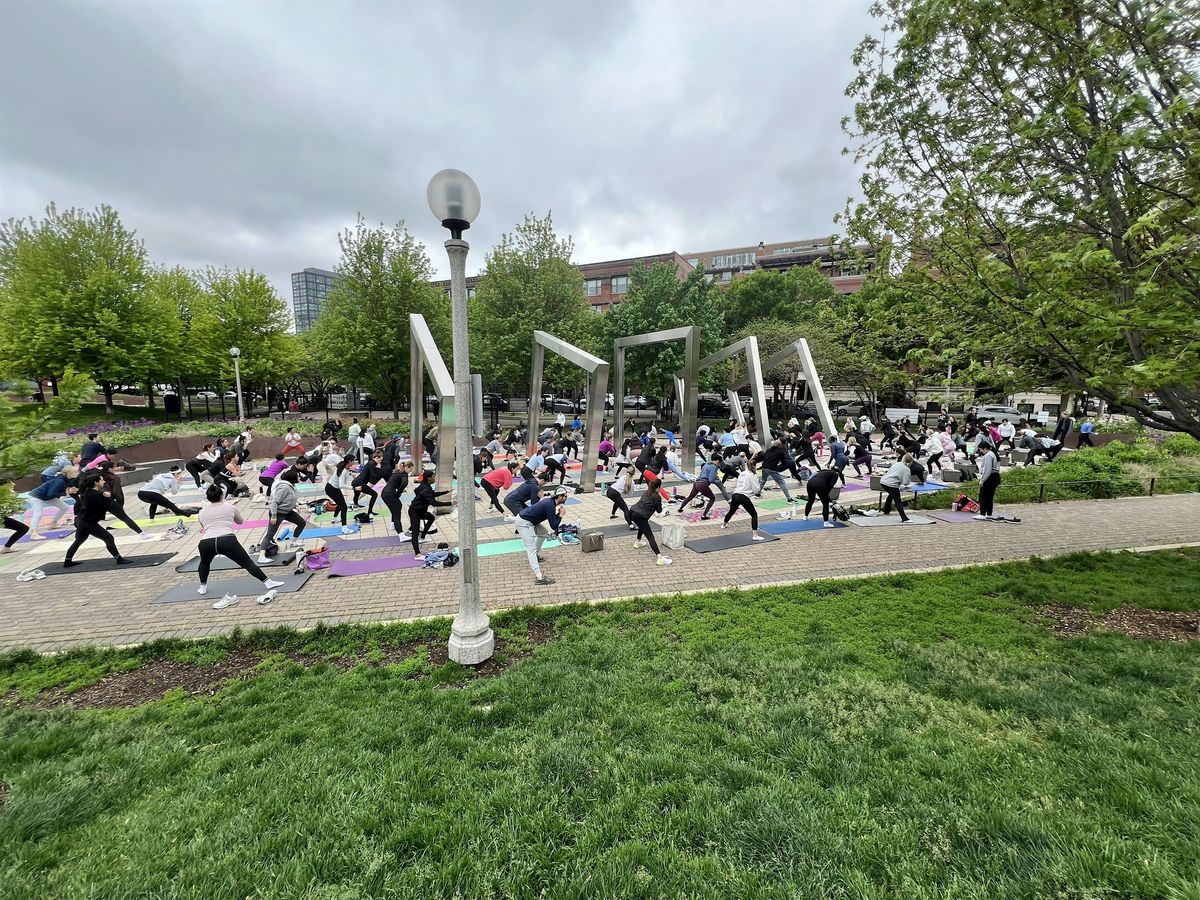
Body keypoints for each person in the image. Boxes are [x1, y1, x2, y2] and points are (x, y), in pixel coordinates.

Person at [195, 484, 286, 604]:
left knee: (204, 562)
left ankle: (202, 588)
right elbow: (240, 522)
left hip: (206, 542)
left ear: (208, 498)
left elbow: (203, 526)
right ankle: (268, 582)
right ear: (222, 496)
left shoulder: (202, 512)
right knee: (247, 562)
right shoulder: (229, 508)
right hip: (227, 540)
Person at [62, 473, 147, 568]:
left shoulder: (88, 492)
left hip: (81, 522)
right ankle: (119, 559)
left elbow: (94, 497)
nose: (104, 481)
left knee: (79, 540)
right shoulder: (94, 495)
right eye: (101, 480)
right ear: (96, 482)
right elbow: (106, 505)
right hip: (88, 523)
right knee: (109, 538)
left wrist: (102, 494)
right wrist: (107, 497)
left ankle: (67, 561)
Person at [514, 486, 569, 585]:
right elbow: (554, 525)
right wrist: (561, 515)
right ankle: (539, 577)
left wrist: (557, 515)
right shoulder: (550, 505)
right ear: (560, 497)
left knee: (543, 533)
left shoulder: (550, 503)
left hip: (528, 520)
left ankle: (535, 556)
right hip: (524, 523)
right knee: (531, 549)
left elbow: (553, 521)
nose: (566, 498)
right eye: (565, 496)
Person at [258, 468, 307, 562]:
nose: (299, 478)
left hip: (287, 512)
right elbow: (275, 502)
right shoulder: (284, 487)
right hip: (278, 513)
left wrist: (295, 505)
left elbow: (290, 498)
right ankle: (261, 556)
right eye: (297, 476)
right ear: (292, 478)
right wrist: (273, 516)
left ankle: (293, 542)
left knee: (302, 523)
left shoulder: (291, 486)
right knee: (270, 534)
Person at [626, 477, 672, 565]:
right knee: (650, 537)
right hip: (640, 515)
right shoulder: (657, 497)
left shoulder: (647, 492)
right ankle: (660, 557)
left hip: (632, 511)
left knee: (642, 526)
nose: (662, 487)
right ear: (657, 487)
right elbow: (659, 511)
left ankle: (638, 541)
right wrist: (663, 503)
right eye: (661, 486)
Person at [25, 466, 79, 538]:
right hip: (36, 496)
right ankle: (34, 533)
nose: (77, 473)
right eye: (75, 472)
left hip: (45, 496)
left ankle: (53, 524)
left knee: (64, 507)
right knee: (38, 513)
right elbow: (51, 494)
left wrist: (69, 490)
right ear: (69, 473)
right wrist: (66, 493)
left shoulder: (65, 480)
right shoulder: (60, 481)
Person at [721, 458, 767, 542]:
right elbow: (756, 489)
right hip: (743, 496)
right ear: (755, 466)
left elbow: (739, 484)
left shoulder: (742, 473)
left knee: (732, 510)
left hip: (735, 494)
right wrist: (759, 488)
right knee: (754, 514)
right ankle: (755, 535)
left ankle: (724, 524)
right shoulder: (753, 475)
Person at [409, 470, 452, 558]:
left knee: (431, 517)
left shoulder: (425, 485)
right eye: (433, 477)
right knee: (415, 532)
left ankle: (423, 537)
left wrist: (446, 492)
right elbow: (433, 502)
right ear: (428, 478)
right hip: (415, 512)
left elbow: (427, 493)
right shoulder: (425, 488)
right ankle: (417, 554)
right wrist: (450, 503)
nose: (434, 478)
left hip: (421, 511)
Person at [675, 454, 725, 519]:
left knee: (690, 496)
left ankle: (680, 508)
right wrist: (718, 481)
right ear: (718, 461)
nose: (719, 465)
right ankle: (704, 515)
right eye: (720, 463)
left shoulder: (706, 464)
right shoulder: (714, 467)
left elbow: (701, 474)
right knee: (712, 499)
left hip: (697, 483)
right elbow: (711, 479)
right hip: (703, 485)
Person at [756, 438, 796, 503]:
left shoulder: (768, 450)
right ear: (781, 445)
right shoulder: (780, 452)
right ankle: (789, 499)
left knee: (763, 480)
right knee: (782, 482)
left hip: (764, 467)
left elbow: (765, 458)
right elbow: (783, 462)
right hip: (771, 468)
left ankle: (757, 494)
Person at [879, 454, 914, 522]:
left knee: (891, 495)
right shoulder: (906, 469)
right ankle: (904, 518)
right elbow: (905, 482)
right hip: (892, 484)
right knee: (898, 501)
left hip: (883, 481)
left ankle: (886, 510)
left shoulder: (897, 464)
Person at [380, 461, 412, 536]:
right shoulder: (404, 474)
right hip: (390, 494)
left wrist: (398, 491)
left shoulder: (397, 471)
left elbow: (394, 482)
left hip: (384, 493)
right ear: (407, 467)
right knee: (397, 512)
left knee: (396, 508)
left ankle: (393, 524)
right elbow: (404, 483)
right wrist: (399, 493)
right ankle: (401, 535)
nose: (410, 471)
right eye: (410, 469)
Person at [975, 439, 1001, 520]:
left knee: (983, 495)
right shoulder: (992, 454)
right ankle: (989, 513)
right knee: (990, 496)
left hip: (990, 477)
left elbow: (987, 469)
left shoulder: (988, 456)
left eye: (981, 449)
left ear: (985, 448)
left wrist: (982, 480)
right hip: (995, 476)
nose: (981, 451)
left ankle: (982, 513)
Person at [324, 454, 352, 527]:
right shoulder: (343, 470)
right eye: (353, 460)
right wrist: (353, 488)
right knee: (344, 507)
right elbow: (341, 485)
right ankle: (344, 528)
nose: (354, 462)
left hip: (334, 488)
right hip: (331, 489)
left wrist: (352, 475)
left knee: (341, 504)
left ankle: (334, 518)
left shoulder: (344, 466)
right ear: (349, 461)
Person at [352, 451, 383, 516]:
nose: (380, 461)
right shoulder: (372, 464)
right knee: (374, 494)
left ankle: (355, 505)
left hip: (356, 482)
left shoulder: (371, 463)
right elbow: (373, 476)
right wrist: (379, 469)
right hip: (360, 482)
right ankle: (370, 512)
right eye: (380, 460)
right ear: (376, 458)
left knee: (356, 495)